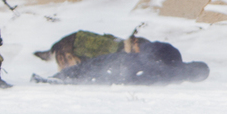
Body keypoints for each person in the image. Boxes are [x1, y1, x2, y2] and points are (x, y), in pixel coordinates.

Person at [32, 40, 209, 85]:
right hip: (126, 74)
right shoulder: (174, 80)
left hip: (126, 62)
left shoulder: (174, 55)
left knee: (88, 68)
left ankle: (57, 79)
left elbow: (148, 48)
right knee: (92, 75)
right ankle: (60, 80)